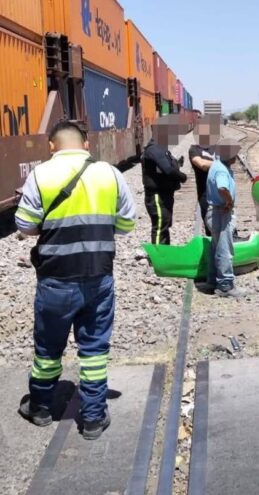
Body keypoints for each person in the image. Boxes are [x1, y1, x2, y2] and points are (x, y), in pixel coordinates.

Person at [14, 121, 136, 440]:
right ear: (86, 145)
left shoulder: (41, 174)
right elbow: (126, 224)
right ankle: (93, 419)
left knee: (48, 349)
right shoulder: (110, 174)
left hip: (55, 280)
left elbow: (24, 226)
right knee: (94, 349)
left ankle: (40, 407)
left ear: (52, 146)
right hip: (98, 277)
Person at [204, 139, 246, 298]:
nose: (237, 157)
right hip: (220, 213)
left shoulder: (216, 164)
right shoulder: (222, 170)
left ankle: (212, 281)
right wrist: (229, 201)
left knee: (216, 248)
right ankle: (225, 286)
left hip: (214, 212)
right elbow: (222, 187)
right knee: (224, 250)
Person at [142, 115, 187, 244]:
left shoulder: (162, 149)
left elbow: (168, 167)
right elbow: (168, 170)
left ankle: (165, 252)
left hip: (165, 194)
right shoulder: (154, 149)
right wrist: (183, 177)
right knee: (160, 225)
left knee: (165, 223)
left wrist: (177, 164)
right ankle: (158, 256)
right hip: (157, 196)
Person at [189, 115, 221, 236]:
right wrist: (219, 164)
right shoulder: (194, 150)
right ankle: (212, 251)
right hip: (205, 195)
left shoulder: (217, 147)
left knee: (224, 225)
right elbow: (201, 164)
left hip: (221, 192)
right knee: (210, 226)